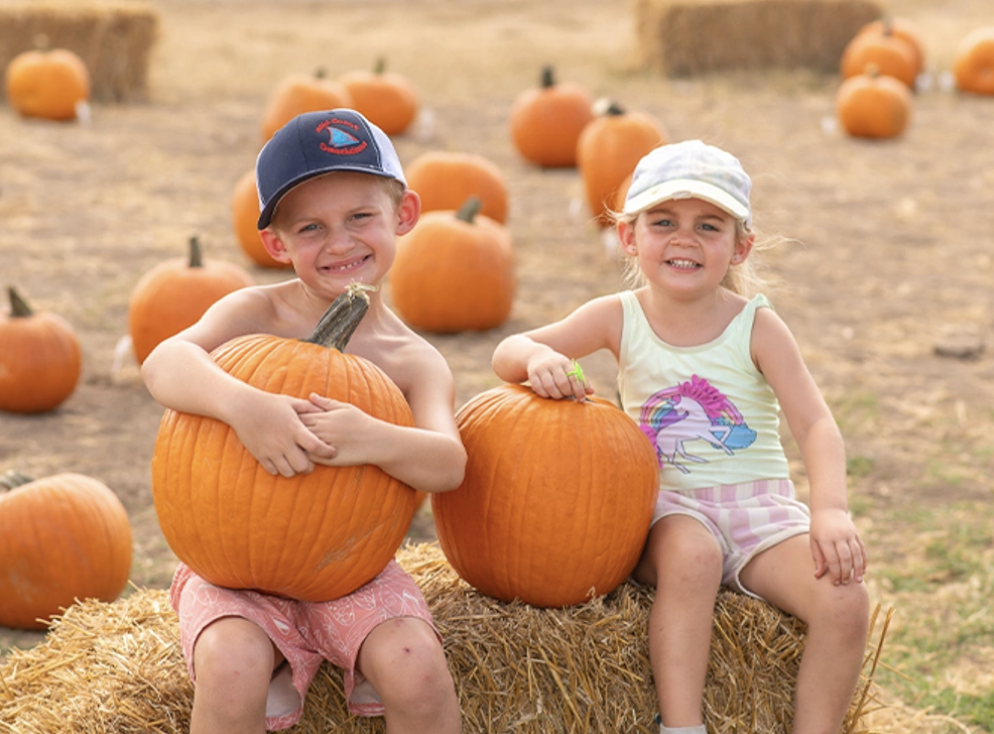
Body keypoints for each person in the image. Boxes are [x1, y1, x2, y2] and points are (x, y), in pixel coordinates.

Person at [491, 139, 869, 734]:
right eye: (663, 222)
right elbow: (507, 350)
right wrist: (536, 357)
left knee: (845, 600)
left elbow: (816, 423)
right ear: (629, 237)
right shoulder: (618, 316)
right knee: (694, 557)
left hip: (759, 515)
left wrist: (831, 511)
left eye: (708, 225)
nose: (684, 239)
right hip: (666, 513)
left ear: (740, 245)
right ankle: (683, 726)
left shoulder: (758, 326)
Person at [142, 109, 465, 734]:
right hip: (230, 566)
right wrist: (246, 405)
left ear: (404, 215)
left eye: (360, 217)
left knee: (417, 668)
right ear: (276, 244)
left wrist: (373, 439)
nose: (340, 243)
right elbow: (165, 361)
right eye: (311, 227)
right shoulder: (255, 310)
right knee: (232, 668)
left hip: (352, 570)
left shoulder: (414, 362)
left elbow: (447, 463)